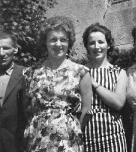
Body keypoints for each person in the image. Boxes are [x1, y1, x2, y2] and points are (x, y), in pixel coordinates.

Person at [23, 16, 93, 152]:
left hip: (68, 140)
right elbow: (26, 109)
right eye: (53, 39)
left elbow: (86, 111)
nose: (58, 44)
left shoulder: (81, 72)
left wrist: (71, 128)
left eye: (63, 40)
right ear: (45, 42)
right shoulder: (30, 73)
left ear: (69, 42)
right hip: (37, 137)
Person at [82, 23, 127, 152]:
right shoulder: (79, 72)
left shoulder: (119, 72)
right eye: (92, 43)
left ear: (108, 45)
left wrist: (94, 83)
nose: (97, 47)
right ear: (87, 46)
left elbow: (118, 103)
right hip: (87, 138)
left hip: (113, 138)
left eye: (101, 42)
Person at [0, 29, 27, 152]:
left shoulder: (26, 74)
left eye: (6, 48)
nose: (1, 53)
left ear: (15, 49)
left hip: (16, 143)